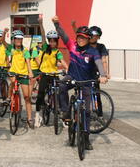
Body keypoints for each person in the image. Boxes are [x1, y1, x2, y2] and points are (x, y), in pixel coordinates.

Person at [52, 16, 107, 151]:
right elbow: (63, 35)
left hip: (87, 83)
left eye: (84, 37)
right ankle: (65, 111)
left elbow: (99, 63)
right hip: (72, 77)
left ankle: (86, 139)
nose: (80, 39)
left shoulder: (93, 51)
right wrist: (57, 24)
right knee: (62, 86)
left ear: (88, 39)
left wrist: (103, 75)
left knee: (87, 112)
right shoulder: (72, 46)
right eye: (79, 37)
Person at [33, 28, 67, 128]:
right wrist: (40, 23)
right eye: (51, 41)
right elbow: (43, 35)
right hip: (44, 74)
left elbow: (63, 62)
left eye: (54, 41)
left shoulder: (58, 52)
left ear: (57, 42)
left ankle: (64, 117)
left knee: (61, 92)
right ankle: (37, 115)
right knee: (40, 95)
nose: (52, 43)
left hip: (54, 75)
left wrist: (68, 69)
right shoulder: (44, 48)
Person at [8, 30, 35, 128]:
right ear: (13, 40)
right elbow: (2, 42)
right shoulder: (11, 49)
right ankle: (9, 98)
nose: (19, 40)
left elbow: (28, 61)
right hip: (13, 72)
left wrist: (30, 72)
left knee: (27, 97)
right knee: (12, 82)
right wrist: (4, 33)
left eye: (20, 39)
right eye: (17, 39)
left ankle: (29, 118)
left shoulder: (25, 50)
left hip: (23, 74)